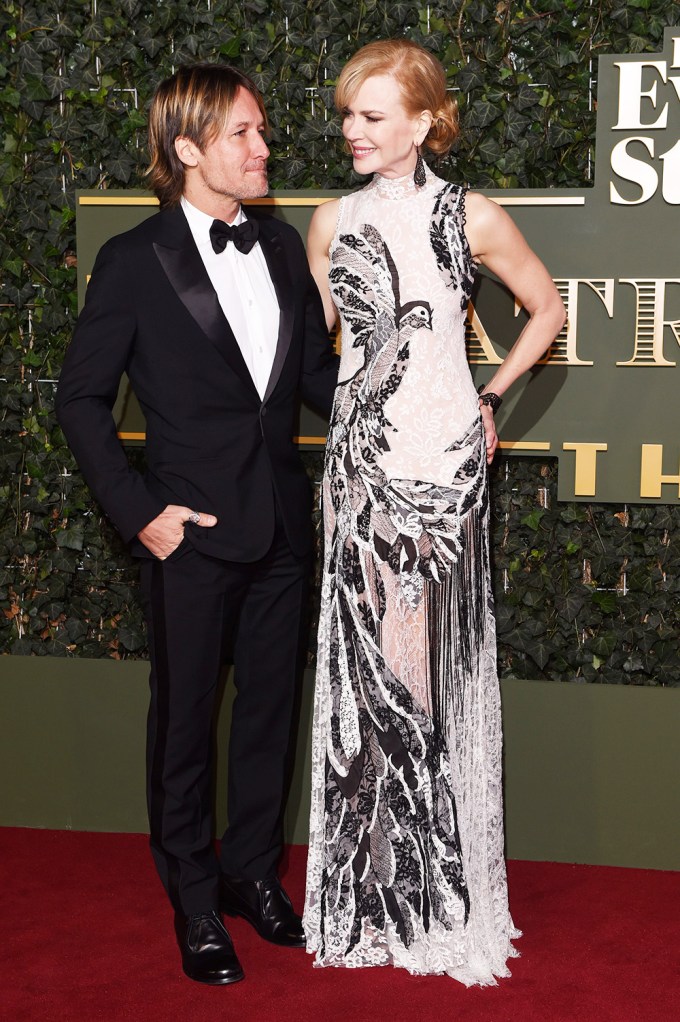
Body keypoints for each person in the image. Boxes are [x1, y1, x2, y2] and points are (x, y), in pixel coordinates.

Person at [56, 63, 338, 986]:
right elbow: (82, 400)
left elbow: (315, 389)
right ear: (188, 150)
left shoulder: (284, 249)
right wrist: (141, 515)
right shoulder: (135, 261)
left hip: (284, 534)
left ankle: (250, 872)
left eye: (261, 132)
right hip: (190, 535)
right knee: (183, 725)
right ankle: (189, 895)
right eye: (244, 135)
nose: (264, 149)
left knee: (268, 716)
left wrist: (417, 392)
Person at [303, 39, 566, 985]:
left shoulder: (472, 216)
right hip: (362, 467)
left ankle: (436, 894)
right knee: (368, 675)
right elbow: (326, 356)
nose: (353, 131)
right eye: (348, 115)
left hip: (445, 465)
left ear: (423, 122)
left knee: (429, 675)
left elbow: (546, 306)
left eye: (373, 116)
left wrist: (491, 398)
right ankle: (372, 890)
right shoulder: (327, 223)